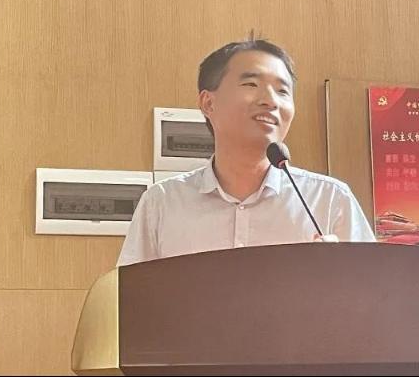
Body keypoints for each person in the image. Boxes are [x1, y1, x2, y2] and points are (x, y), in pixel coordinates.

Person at [117, 37, 375, 266]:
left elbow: (374, 295)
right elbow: (129, 298)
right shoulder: (162, 203)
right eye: (251, 84)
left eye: (283, 91)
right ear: (208, 103)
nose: (271, 101)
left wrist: (339, 275)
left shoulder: (329, 200)